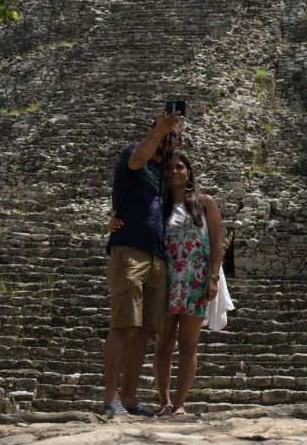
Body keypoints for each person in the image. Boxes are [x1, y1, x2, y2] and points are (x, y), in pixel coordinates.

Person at [109, 151, 223, 417]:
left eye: (180, 167)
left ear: (189, 172)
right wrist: (113, 222)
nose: (174, 171)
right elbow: (135, 219)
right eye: (169, 168)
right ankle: (164, 401)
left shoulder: (205, 203)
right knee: (163, 343)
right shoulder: (159, 205)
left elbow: (217, 243)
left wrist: (213, 278)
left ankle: (180, 403)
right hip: (165, 279)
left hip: (195, 279)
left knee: (188, 344)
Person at [101, 112, 181, 418]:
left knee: (144, 331)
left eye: (174, 136)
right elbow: (138, 158)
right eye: (165, 133)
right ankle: (111, 399)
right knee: (123, 325)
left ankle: (130, 398)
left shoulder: (164, 175)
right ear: (152, 131)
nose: (169, 139)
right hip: (130, 251)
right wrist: (158, 133)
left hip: (156, 257)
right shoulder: (134, 154)